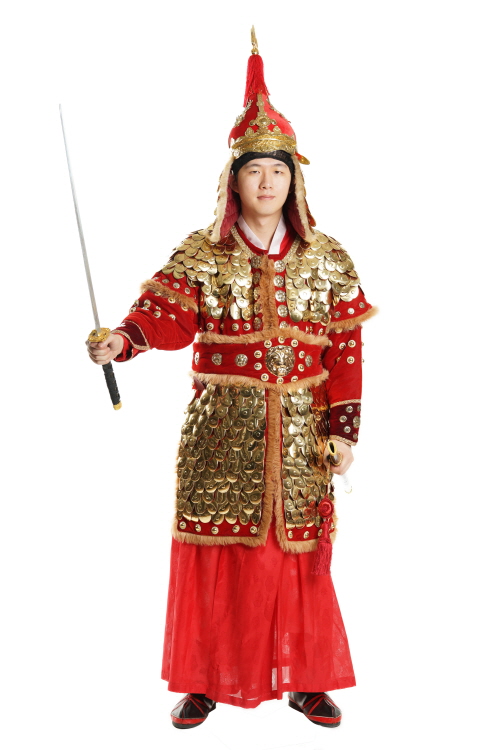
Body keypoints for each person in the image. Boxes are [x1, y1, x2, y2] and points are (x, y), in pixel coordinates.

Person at [87, 28, 377, 730]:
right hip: (222, 431)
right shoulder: (204, 253)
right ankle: (203, 680)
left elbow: (346, 349)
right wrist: (122, 340)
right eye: (255, 172)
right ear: (234, 180)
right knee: (215, 554)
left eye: (279, 171)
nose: (267, 183)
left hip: (302, 435)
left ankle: (306, 680)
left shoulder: (328, 258)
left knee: (298, 560)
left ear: (294, 180)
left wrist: (343, 432)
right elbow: (163, 314)